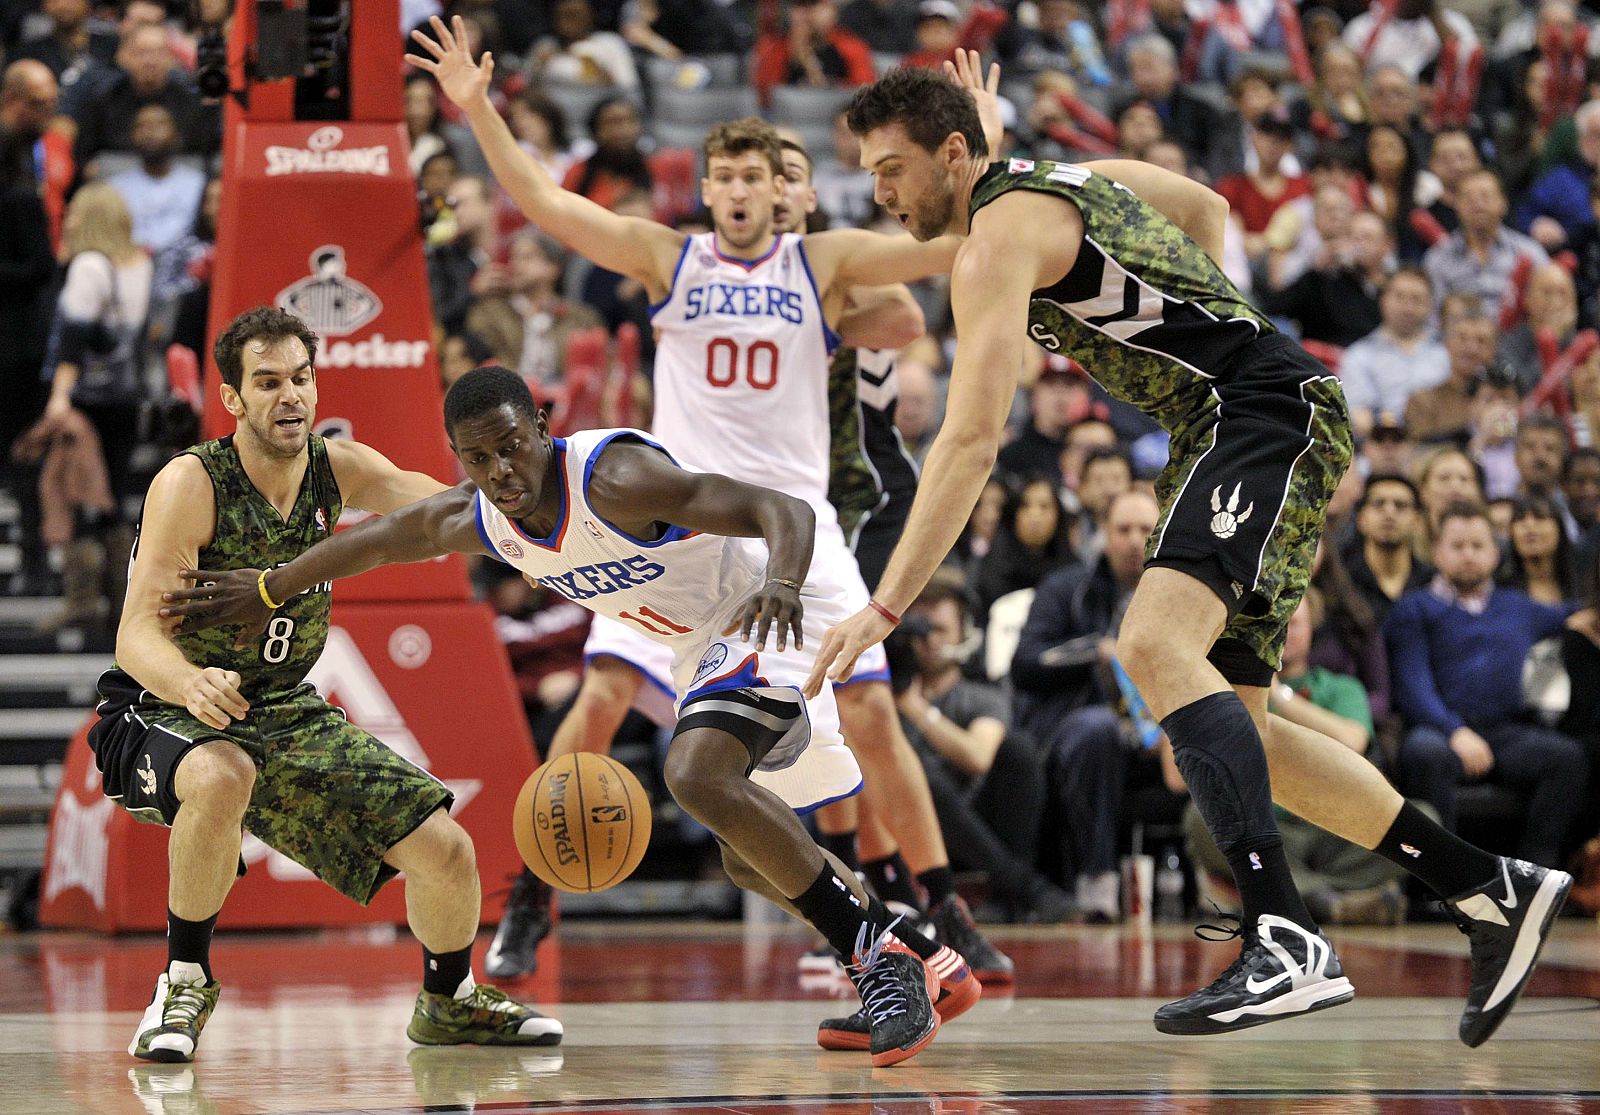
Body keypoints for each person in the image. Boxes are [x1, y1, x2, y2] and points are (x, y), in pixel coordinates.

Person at [810, 56, 1573, 1044]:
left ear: (953, 152)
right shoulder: (1059, 182)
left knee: (1150, 645)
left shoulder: (995, 242)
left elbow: (968, 440)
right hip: (1253, 411)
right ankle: (1485, 887)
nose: (879, 194)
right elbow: (1204, 208)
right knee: (1242, 732)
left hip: (1251, 413)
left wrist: (886, 604)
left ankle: (1283, 935)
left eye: (891, 169)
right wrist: (1209, 331)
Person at [403, 16, 1009, 1004]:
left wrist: (980, 152)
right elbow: (548, 204)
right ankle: (533, 894)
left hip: (793, 524)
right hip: (671, 526)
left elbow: (949, 247)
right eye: (721, 177)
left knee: (869, 712)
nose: (735, 192)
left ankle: (936, 909)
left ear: (781, 189)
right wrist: (477, 110)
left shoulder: (820, 263)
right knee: (602, 694)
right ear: (707, 188)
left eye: (753, 177)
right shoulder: (669, 258)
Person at [162, 362, 968, 1069]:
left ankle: (881, 961)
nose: (501, 470)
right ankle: (929, 959)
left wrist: (784, 587)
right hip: (699, 643)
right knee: (752, 858)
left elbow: (783, 509)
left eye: (512, 445)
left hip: (771, 601)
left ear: (542, 426)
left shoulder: (615, 478)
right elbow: (379, 541)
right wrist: (268, 587)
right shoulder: (483, 517)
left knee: (695, 774)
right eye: (478, 458)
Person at [89, 309, 560, 1063]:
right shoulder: (191, 482)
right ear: (232, 398)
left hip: (280, 709)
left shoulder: (336, 468)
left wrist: (535, 530)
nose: (290, 396)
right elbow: (135, 636)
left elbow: (443, 505)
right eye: (267, 382)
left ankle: (450, 1001)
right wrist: (191, 679)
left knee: (447, 849)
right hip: (160, 706)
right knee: (222, 772)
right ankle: (182, 983)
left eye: (301, 378)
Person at [1386, 502, 1588, 869]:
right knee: (1423, 753)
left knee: (1566, 757)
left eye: (1477, 546)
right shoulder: (1414, 609)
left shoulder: (1518, 606)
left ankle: (1533, 874)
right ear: (1437, 552)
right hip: (1440, 730)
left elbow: (1576, 614)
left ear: (1495, 554)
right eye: (1457, 546)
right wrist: (1455, 730)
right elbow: (1413, 685)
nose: (1468, 555)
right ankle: (1444, 879)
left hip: (1504, 732)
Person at [1011, 488, 1161, 921]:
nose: (1134, 541)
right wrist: (1096, 650)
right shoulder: (1065, 588)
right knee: (1098, 729)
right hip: (1079, 731)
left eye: (1146, 530)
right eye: (1123, 529)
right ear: (1104, 535)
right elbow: (1025, 662)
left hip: (1162, 732)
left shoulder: (1182, 599)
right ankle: (1098, 884)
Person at [1337, 267, 1450, 439]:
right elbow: (1358, 416)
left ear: (1430, 306)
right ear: (1383, 300)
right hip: (1384, 441)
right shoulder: (1359, 356)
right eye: (1400, 297)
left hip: (1442, 440)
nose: (1408, 308)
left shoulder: (1447, 353)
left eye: (1417, 299)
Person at [1343, 473, 1433, 625]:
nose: (1389, 513)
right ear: (1361, 519)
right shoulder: (1341, 579)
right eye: (1378, 504)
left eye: (1400, 505)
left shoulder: (1432, 584)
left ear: (1417, 521)